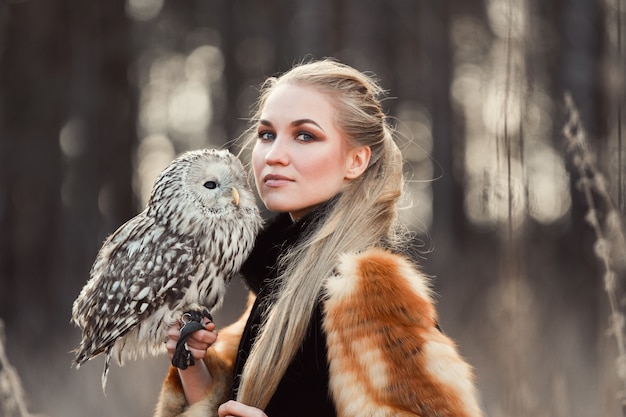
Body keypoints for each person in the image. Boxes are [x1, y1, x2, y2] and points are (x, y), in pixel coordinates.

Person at [153, 59, 483, 417]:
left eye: (305, 135)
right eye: (267, 135)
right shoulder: (280, 283)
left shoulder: (368, 289)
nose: (274, 156)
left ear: (356, 161)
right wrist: (193, 367)